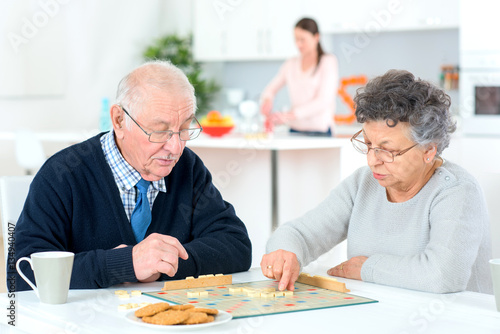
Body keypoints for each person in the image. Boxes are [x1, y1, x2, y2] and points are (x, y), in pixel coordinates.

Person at [11, 60, 252, 291]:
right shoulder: (62, 174)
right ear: (118, 120)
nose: (176, 148)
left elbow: (236, 245)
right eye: (159, 131)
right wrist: (125, 264)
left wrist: (164, 264)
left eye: (185, 129)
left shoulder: (187, 168)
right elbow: (25, 273)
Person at [260, 69, 492, 294]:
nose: (372, 161)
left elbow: (443, 275)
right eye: (368, 144)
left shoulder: (457, 191)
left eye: (387, 150)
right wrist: (285, 252)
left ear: (429, 150)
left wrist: (367, 268)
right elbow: (300, 234)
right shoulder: (363, 184)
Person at [260, 17, 338, 136]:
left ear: (316, 37)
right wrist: (267, 99)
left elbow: (323, 100)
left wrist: (288, 116)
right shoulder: (290, 64)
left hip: (320, 131)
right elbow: (270, 89)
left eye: (303, 40)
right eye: (296, 39)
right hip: (295, 130)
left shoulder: (327, 61)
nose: (298, 44)